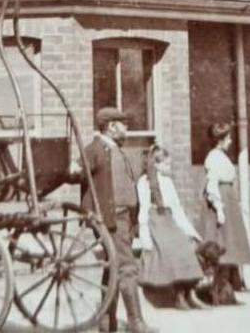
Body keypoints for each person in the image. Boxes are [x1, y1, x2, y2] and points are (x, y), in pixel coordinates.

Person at [82, 107, 155, 333]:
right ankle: (136, 323)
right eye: (123, 124)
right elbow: (78, 170)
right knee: (127, 268)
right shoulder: (95, 148)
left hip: (124, 218)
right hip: (111, 219)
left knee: (113, 267)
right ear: (111, 126)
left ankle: (106, 323)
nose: (127, 127)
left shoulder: (115, 149)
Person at [137, 144, 207, 309]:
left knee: (186, 245)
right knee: (172, 249)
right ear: (156, 163)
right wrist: (144, 235)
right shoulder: (144, 182)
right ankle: (178, 296)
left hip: (169, 220)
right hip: (155, 221)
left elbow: (177, 209)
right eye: (166, 164)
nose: (170, 168)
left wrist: (191, 232)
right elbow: (144, 208)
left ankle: (190, 293)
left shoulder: (168, 182)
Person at [198, 122, 250, 296]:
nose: (230, 141)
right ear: (220, 140)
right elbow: (212, 185)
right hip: (221, 200)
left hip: (228, 199)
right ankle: (219, 287)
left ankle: (229, 283)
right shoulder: (213, 157)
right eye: (227, 138)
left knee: (231, 240)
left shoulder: (221, 156)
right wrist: (219, 208)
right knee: (223, 240)